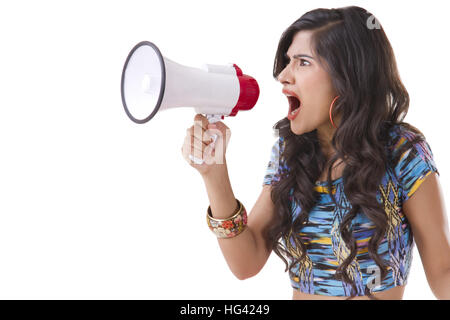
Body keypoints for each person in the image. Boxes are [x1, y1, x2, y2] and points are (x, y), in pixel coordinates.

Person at [181, 6, 450, 300]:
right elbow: (246, 262)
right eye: (287, 62)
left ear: (348, 76)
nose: (283, 75)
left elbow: (442, 273)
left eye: (303, 62)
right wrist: (214, 174)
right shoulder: (290, 152)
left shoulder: (402, 152)